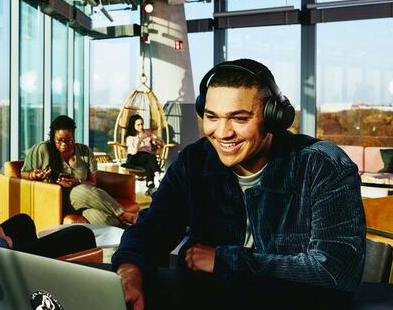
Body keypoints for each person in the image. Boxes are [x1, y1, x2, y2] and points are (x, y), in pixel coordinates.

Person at [111, 59, 366, 310]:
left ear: (273, 118)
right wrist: (128, 268)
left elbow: (337, 271)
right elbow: (153, 228)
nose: (222, 133)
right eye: (212, 117)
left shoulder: (323, 166)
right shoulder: (194, 162)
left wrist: (225, 261)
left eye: (239, 119)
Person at [21, 115, 136, 227]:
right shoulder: (43, 149)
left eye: (68, 140)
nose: (64, 144)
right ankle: (123, 214)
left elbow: (93, 183)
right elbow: (23, 173)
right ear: (52, 137)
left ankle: (128, 233)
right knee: (81, 190)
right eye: (59, 140)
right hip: (55, 198)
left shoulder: (84, 151)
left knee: (105, 220)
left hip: (84, 199)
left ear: (74, 136)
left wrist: (77, 182)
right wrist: (33, 175)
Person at [0, 205, 96, 258]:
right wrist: (2, 243)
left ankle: (30, 271)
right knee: (81, 235)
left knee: (22, 222)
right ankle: (26, 265)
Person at [125, 115, 163, 193]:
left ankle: (151, 186)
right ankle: (160, 179)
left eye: (142, 124)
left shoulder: (147, 133)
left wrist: (155, 138)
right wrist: (140, 139)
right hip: (133, 158)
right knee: (150, 157)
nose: (141, 126)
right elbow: (134, 152)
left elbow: (162, 144)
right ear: (133, 125)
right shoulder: (130, 137)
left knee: (149, 163)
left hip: (146, 158)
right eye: (138, 125)